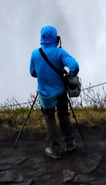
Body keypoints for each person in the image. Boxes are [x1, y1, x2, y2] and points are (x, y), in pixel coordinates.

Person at [29, 25, 80, 159]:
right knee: (64, 115)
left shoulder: (35, 53)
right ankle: (69, 144)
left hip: (45, 93)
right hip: (61, 91)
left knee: (50, 118)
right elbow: (74, 66)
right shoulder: (59, 53)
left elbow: (33, 73)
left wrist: (42, 73)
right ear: (55, 38)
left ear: (42, 37)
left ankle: (55, 150)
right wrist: (70, 74)